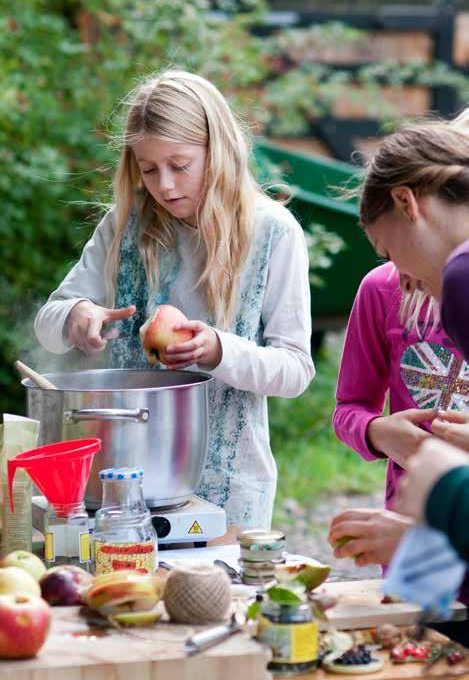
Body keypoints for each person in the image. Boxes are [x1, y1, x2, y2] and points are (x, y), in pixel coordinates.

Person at [34, 69, 315, 530]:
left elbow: (295, 370)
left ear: (218, 151)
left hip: (231, 488)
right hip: (120, 485)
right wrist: (76, 316)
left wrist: (221, 351)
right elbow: (48, 324)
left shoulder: (272, 234)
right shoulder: (124, 227)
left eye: (179, 165)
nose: (164, 186)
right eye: (148, 169)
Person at [355, 109, 469, 562]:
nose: (399, 276)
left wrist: (420, 548)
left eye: (388, 251)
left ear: (407, 202)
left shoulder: (460, 278)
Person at [327, 260, 469, 566]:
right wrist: (376, 432)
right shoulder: (382, 287)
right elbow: (349, 408)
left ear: (412, 210)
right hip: (407, 540)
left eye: (388, 246)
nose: (398, 265)